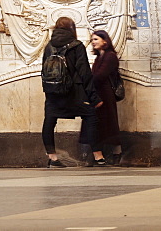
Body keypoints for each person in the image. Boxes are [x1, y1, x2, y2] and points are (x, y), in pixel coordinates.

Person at [42, 16, 104, 167]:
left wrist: (49, 90)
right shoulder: (77, 46)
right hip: (74, 92)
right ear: (72, 29)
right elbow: (84, 73)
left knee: (50, 121)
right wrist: (94, 97)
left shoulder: (49, 46)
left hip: (53, 92)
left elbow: (43, 70)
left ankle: (52, 158)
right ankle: (98, 156)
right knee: (91, 116)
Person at [90, 29, 122, 165]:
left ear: (105, 41)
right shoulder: (99, 57)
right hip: (98, 95)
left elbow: (100, 76)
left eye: (96, 39)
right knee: (99, 124)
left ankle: (117, 152)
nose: (93, 42)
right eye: (92, 40)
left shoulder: (110, 56)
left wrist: (86, 80)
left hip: (106, 95)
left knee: (109, 123)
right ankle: (101, 154)